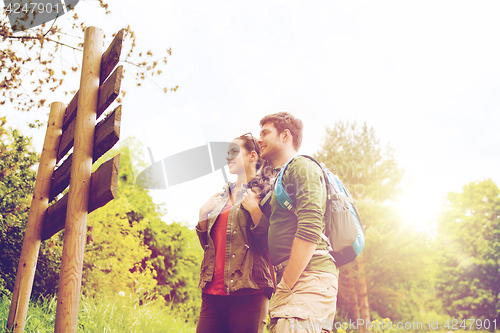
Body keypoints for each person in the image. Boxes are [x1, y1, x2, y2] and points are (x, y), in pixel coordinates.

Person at [257, 112, 339, 333]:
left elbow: (311, 226)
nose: (259, 139)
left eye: (265, 133)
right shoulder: (281, 178)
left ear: (285, 136)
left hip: (307, 279)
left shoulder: (301, 166)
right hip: (298, 281)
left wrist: (285, 286)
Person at [195, 134, 274, 333]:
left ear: (252, 156)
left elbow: (272, 243)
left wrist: (256, 212)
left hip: (249, 291)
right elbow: (208, 246)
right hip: (213, 292)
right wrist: (202, 215)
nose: (228, 157)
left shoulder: (266, 192)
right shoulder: (221, 197)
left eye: (234, 152)